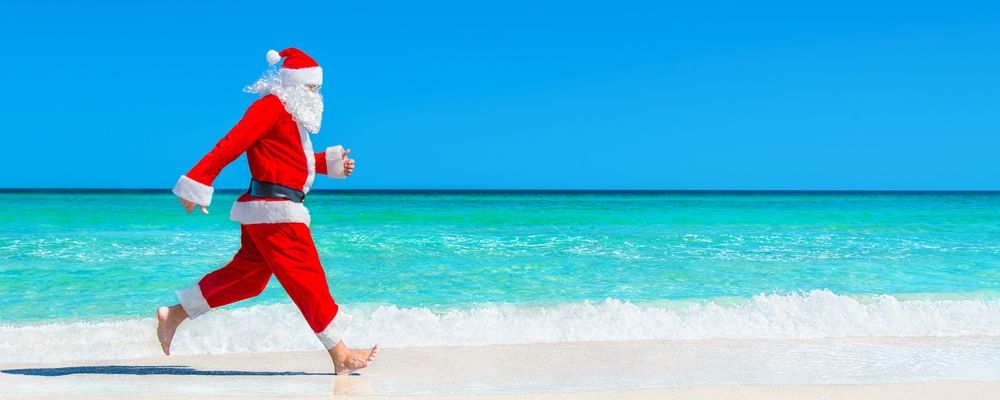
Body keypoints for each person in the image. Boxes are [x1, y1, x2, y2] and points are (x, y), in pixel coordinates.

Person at [156, 47, 378, 375]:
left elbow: (289, 160)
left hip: (271, 210)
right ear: (295, 85)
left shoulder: (289, 115)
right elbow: (230, 144)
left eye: (318, 89)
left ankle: (174, 313)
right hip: (275, 213)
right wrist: (197, 185)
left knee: (249, 279)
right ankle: (340, 353)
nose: (317, 96)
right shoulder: (271, 107)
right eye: (312, 89)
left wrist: (330, 164)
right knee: (308, 278)